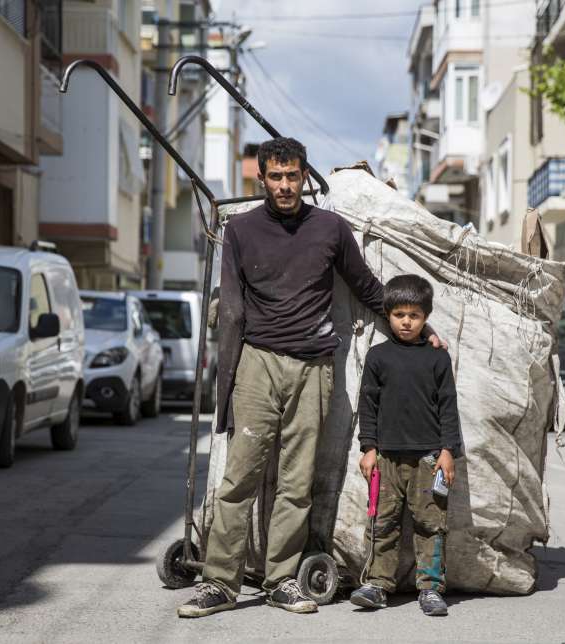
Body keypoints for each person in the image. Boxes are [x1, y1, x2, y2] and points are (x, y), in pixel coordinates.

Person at [178, 138, 443, 618]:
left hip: (315, 366)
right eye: (275, 177)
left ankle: (281, 579)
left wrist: (423, 330)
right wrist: (228, 376)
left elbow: (366, 288)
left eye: (292, 176)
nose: (284, 185)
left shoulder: (330, 229)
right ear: (261, 179)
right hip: (257, 363)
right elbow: (233, 305)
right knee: (241, 477)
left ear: (305, 177)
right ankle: (219, 583)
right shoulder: (241, 231)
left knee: (297, 482)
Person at [350, 274, 462, 617]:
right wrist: (368, 447)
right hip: (385, 459)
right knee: (381, 523)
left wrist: (448, 451)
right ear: (388, 315)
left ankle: (430, 589)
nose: (406, 321)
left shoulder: (437, 358)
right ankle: (377, 584)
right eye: (399, 314)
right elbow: (367, 405)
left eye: (414, 315)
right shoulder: (378, 356)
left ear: (425, 316)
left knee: (431, 525)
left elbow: (448, 405)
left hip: (429, 459)